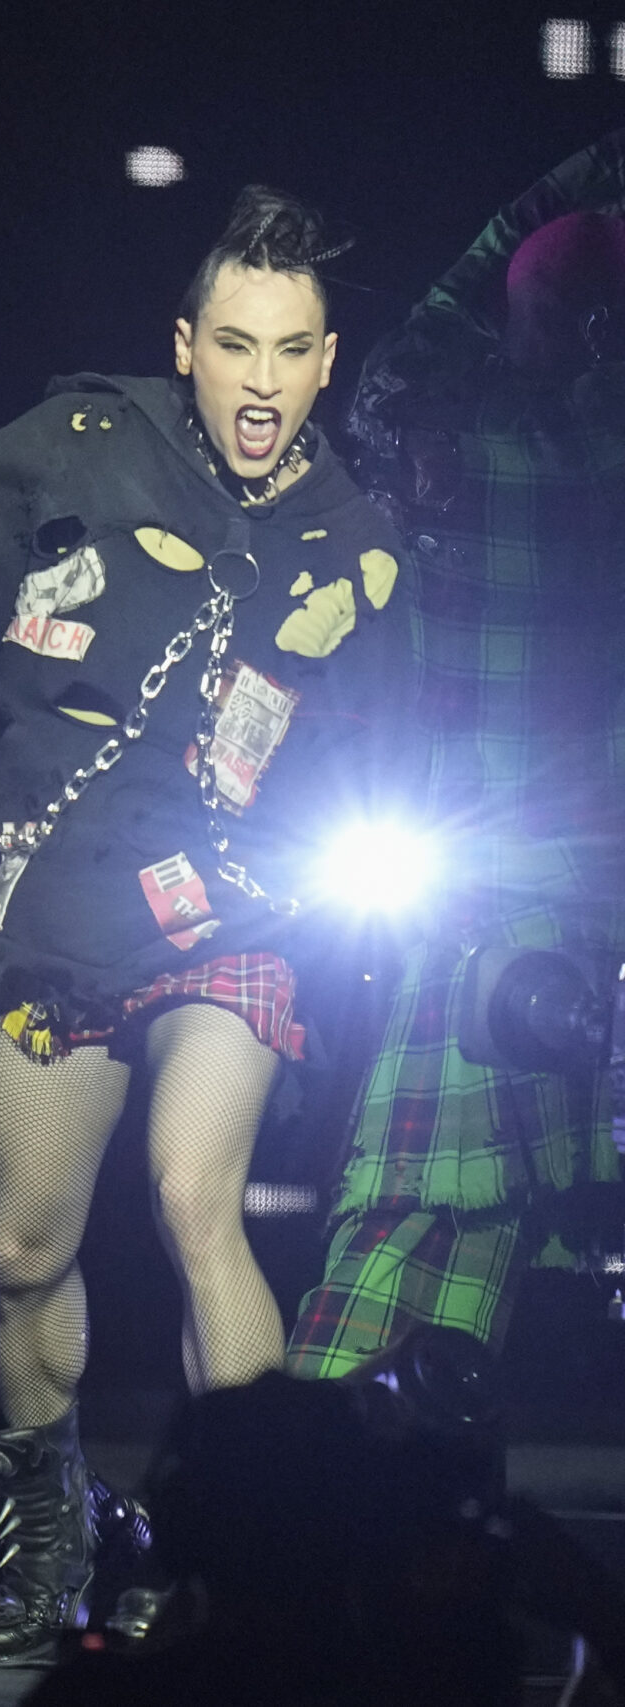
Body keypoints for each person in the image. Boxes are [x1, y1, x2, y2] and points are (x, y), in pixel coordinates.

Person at [0, 186, 402, 1659]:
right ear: (187, 346)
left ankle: (254, 1560)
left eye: (292, 349)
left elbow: (395, 736)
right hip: (66, 898)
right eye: (237, 345)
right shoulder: (83, 443)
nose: (265, 382)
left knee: (189, 1194)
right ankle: (53, 1536)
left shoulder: (355, 543)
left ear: (329, 359)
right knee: (22, 1250)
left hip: (244, 902)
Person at [286, 136, 624, 1380]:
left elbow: (414, 347)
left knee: (413, 1248)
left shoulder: (448, 447)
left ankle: (317, 1522)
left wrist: (565, 183)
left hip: (499, 911)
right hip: (586, 890)